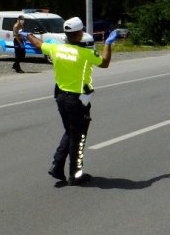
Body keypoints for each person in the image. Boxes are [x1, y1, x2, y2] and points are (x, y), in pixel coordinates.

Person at [24, 17, 118, 186]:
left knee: (70, 131)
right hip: (78, 101)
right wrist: (108, 44)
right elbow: (105, 63)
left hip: (60, 97)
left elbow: (38, 44)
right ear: (80, 34)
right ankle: (75, 174)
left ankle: (57, 166)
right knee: (78, 137)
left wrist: (27, 34)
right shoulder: (85, 54)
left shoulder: (56, 49)